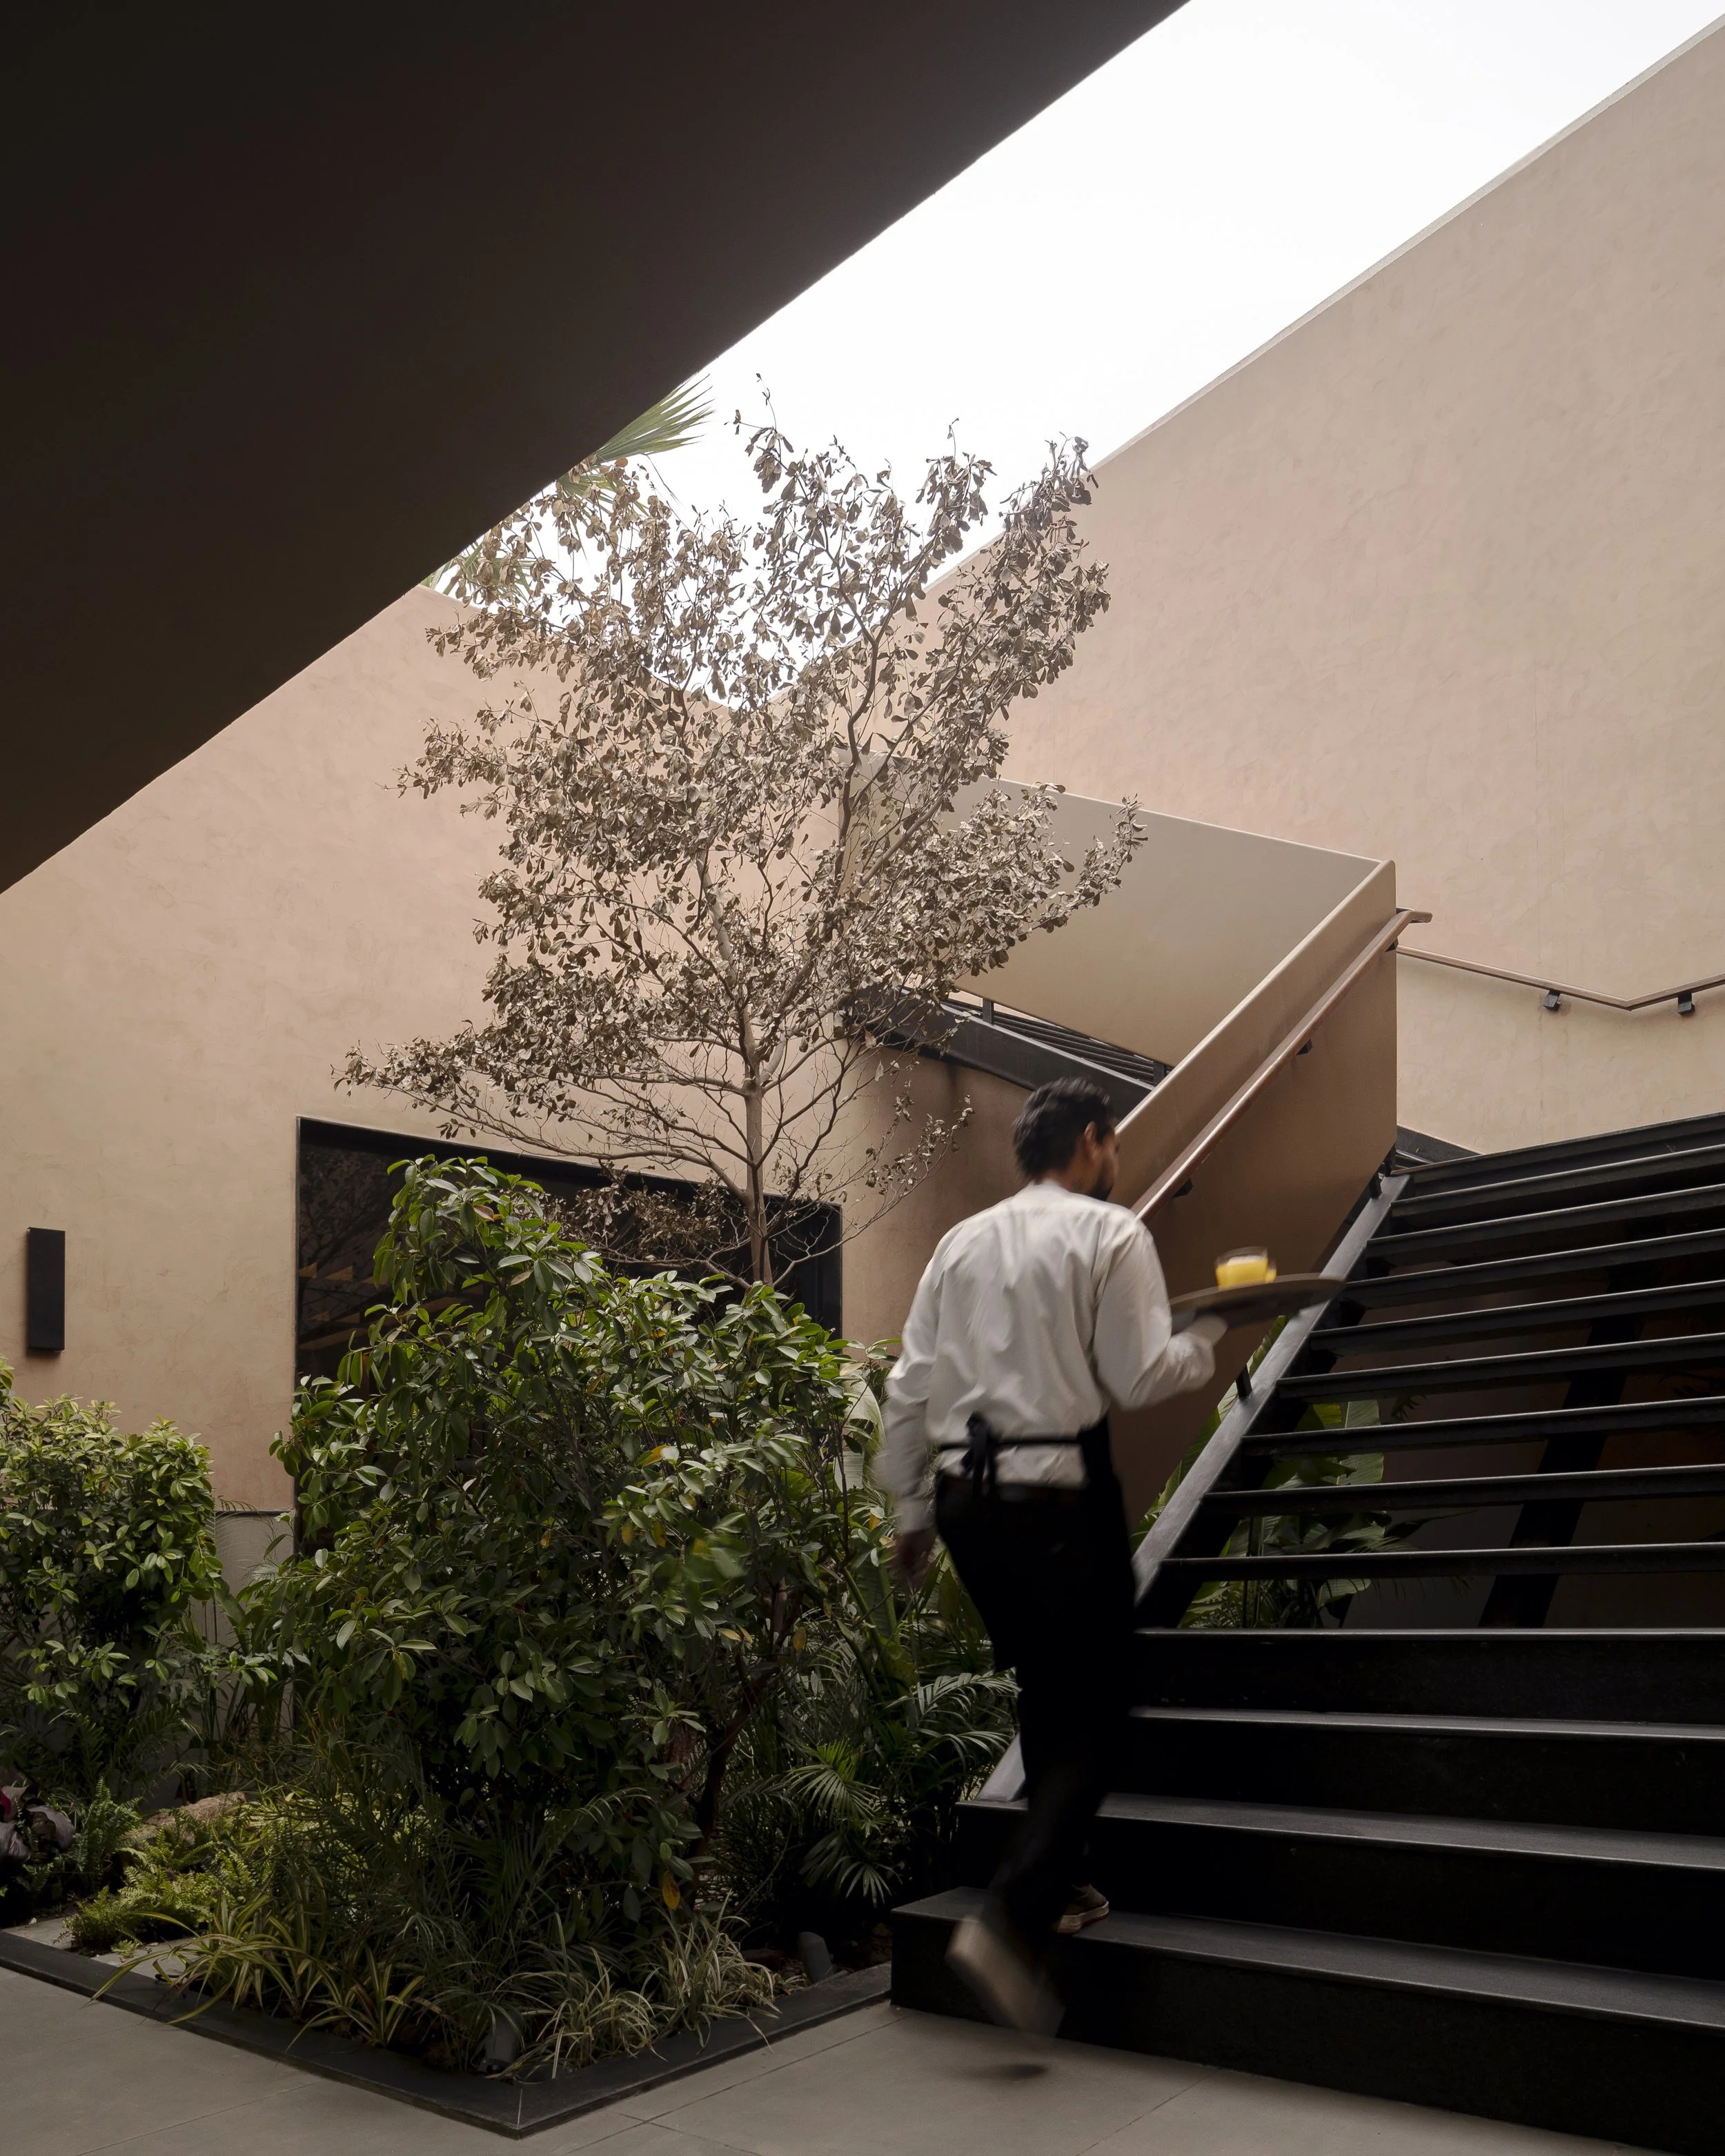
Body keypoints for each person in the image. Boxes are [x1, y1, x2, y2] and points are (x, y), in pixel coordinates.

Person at [878, 1075, 1228, 2031]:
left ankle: (1062, 1886)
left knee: (1048, 1686)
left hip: (964, 1502)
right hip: (1057, 1500)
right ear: (1092, 1140)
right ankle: (1011, 1916)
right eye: (1111, 1146)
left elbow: (908, 1387)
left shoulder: (959, 1242)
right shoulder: (1112, 1234)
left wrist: (910, 1513)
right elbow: (1136, 1372)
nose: (1115, 1162)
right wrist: (1209, 1336)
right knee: (1102, 1714)